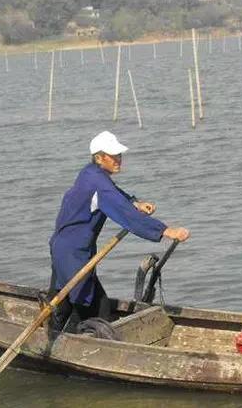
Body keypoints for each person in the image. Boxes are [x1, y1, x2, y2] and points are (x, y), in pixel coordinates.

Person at [47, 130, 190, 335]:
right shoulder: (97, 181)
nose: (118, 160)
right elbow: (126, 216)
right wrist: (166, 231)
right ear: (99, 158)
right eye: (113, 156)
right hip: (72, 252)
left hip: (65, 247)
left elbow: (114, 194)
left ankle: (56, 334)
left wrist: (135, 202)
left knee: (65, 299)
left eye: (119, 155)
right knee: (97, 308)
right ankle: (65, 341)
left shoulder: (90, 173)